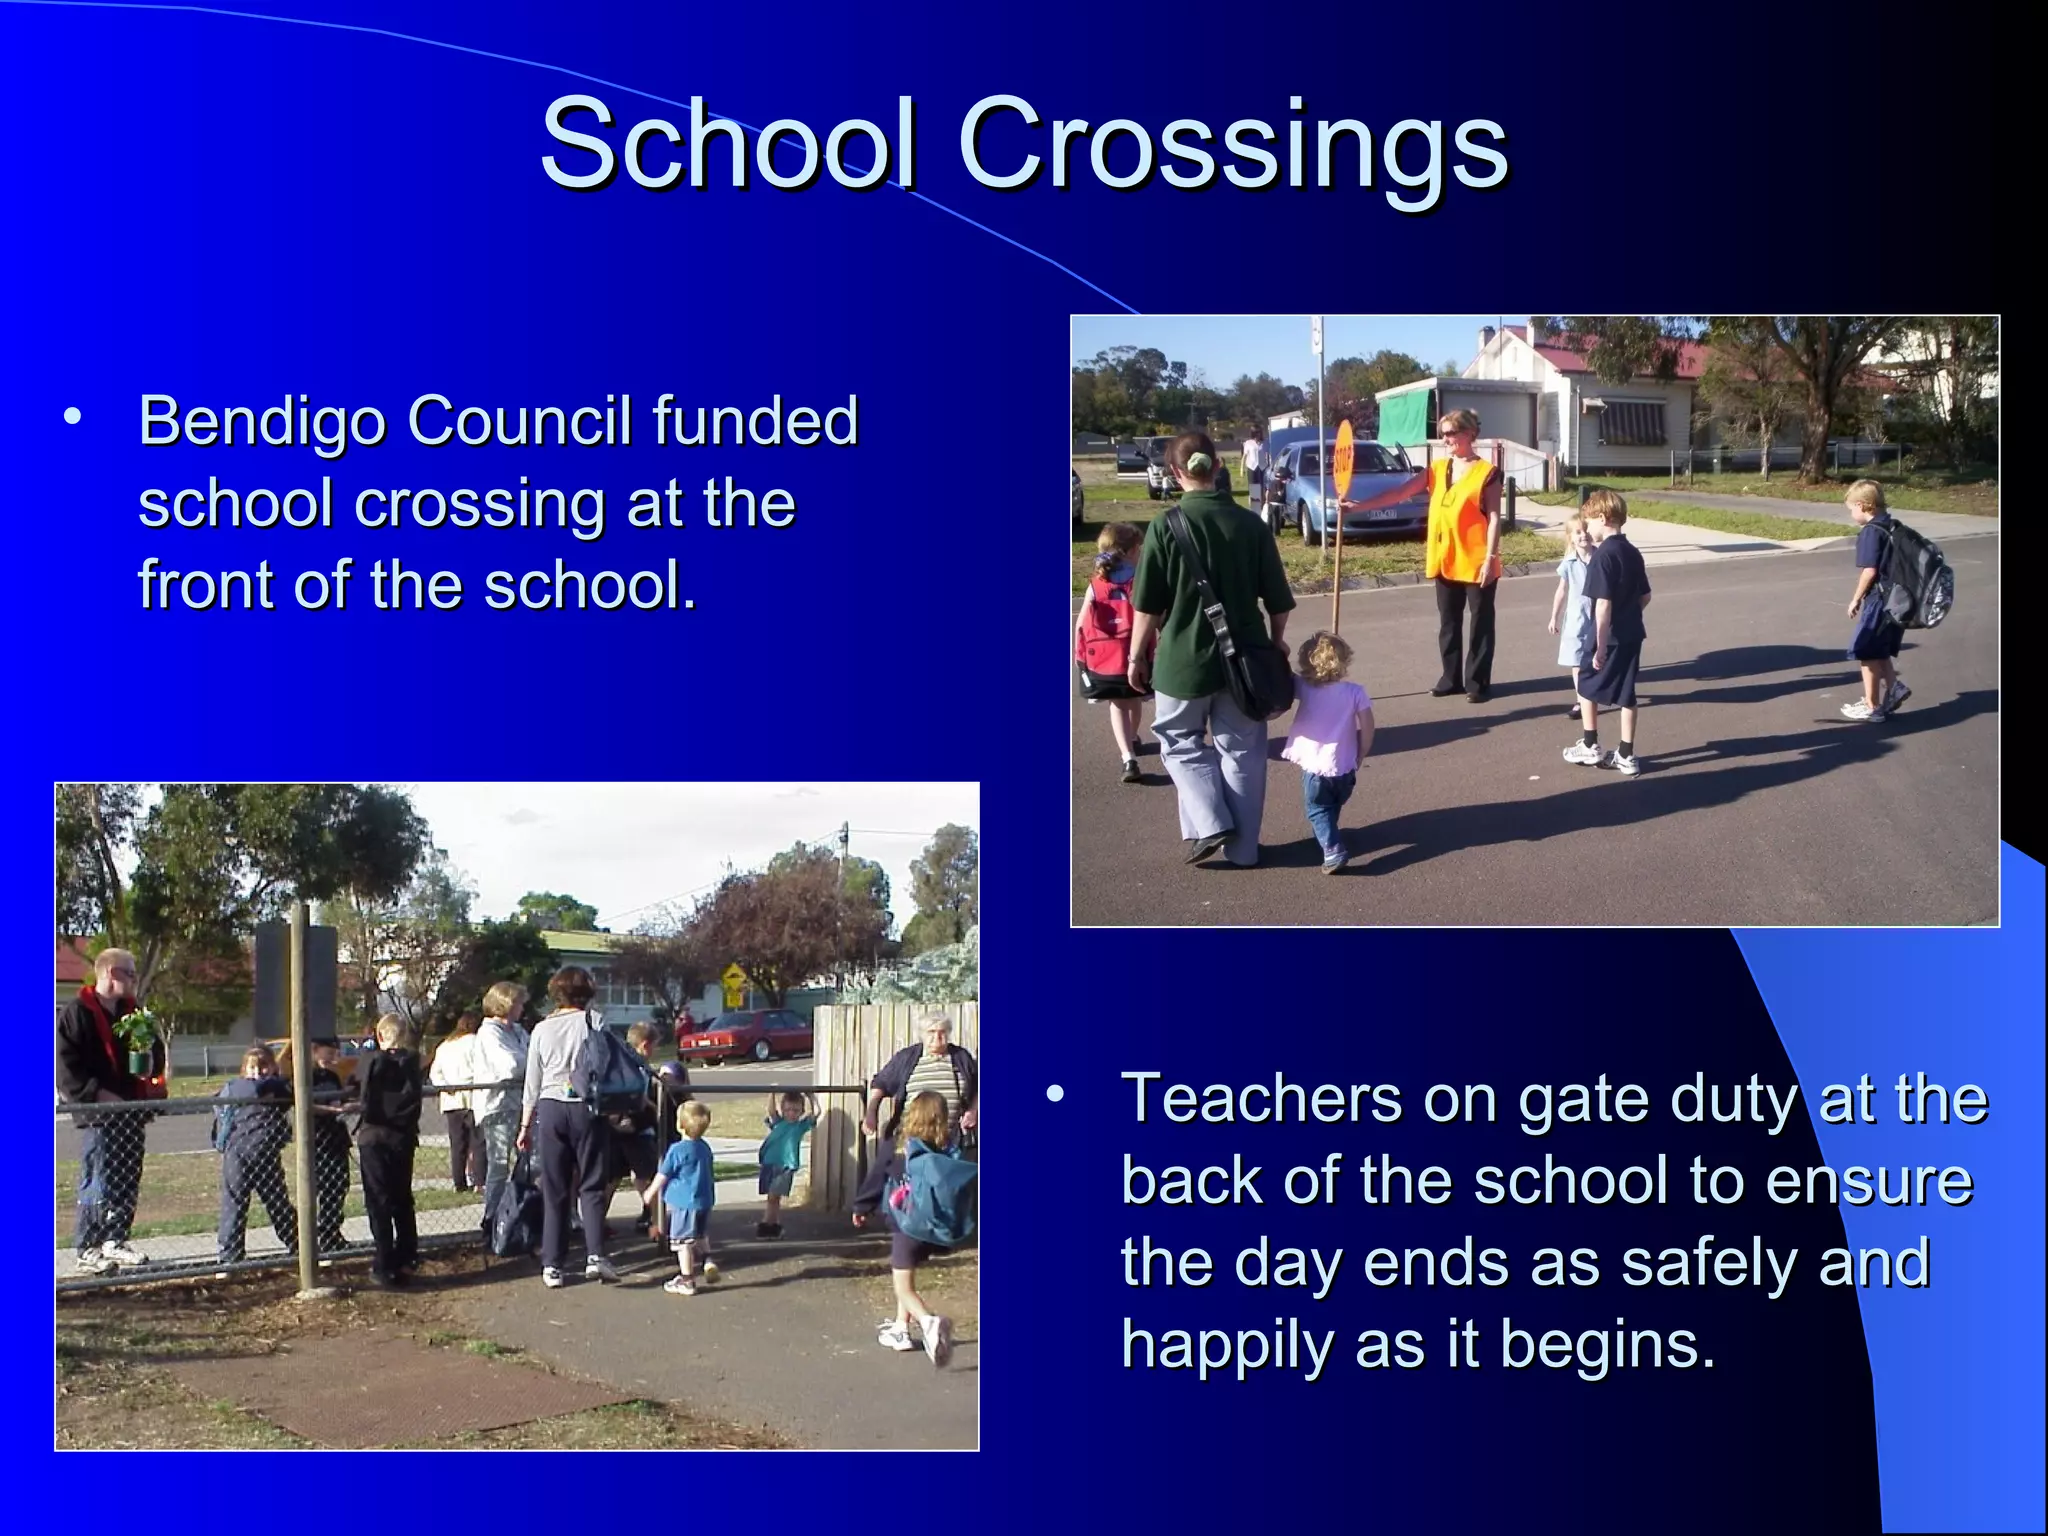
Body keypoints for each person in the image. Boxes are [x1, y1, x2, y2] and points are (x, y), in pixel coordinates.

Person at [1128, 430, 1296, 867]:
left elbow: (1146, 606)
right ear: (1218, 468)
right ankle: (1244, 850)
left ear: (1174, 473)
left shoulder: (1164, 526)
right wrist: (1275, 644)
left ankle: (1211, 821)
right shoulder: (1251, 524)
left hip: (1182, 662)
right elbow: (1278, 600)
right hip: (1246, 662)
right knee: (1243, 752)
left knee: (1179, 741)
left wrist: (1135, 655)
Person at [1344, 409, 1503, 701]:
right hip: (1444, 556)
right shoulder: (1437, 469)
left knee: (1481, 621)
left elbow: (1494, 518)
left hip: (1477, 558)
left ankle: (1478, 682)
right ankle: (1450, 678)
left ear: (1469, 434)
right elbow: (1400, 493)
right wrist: (1358, 507)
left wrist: (1490, 559)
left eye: (1452, 433)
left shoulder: (1488, 473)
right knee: (1448, 621)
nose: (1446, 439)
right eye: (1443, 434)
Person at [56, 947, 157, 1273]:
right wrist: (97, 1094)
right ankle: (88, 1248)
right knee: (98, 1180)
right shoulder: (78, 1013)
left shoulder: (134, 1013)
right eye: (130, 972)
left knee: (127, 1179)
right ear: (111, 973)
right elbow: (65, 1064)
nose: (134, 978)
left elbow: (153, 1049)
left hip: (131, 1112)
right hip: (99, 1117)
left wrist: (151, 1066)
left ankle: (116, 1240)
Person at [517, 966, 618, 1288]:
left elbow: (531, 1082)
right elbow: (608, 1064)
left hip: (550, 1108)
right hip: (587, 1107)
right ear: (587, 992)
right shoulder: (595, 1022)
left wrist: (525, 1124)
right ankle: (595, 1255)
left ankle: (553, 1264)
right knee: (591, 1183)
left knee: (555, 1188)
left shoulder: (542, 1029)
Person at [852, 1091, 961, 1367]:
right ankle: (901, 1329)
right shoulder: (948, 1147)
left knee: (902, 1288)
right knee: (908, 1276)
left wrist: (862, 1206)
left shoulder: (900, 1145)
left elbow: (878, 1176)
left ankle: (929, 1322)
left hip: (905, 1225)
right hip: (932, 1228)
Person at [1562, 490, 1652, 776]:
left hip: (1608, 635)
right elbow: (1646, 596)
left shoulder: (1603, 556)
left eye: (1589, 522)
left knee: (1586, 683)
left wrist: (1600, 646)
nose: (1587, 529)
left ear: (1602, 518)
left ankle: (1590, 745)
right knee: (1627, 693)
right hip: (1632, 633)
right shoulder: (1632, 551)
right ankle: (1627, 754)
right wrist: (1630, 615)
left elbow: (1602, 605)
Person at [1279, 631, 1377, 874]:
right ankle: (1327, 834)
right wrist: (1362, 751)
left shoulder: (1304, 687)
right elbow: (1368, 727)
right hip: (1345, 766)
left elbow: (1285, 678)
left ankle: (1332, 850)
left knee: (1318, 809)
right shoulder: (1355, 691)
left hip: (1316, 769)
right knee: (1331, 806)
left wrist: (1280, 652)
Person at [1075, 520, 1151, 784]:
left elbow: (1081, 624)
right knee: (1135, 700)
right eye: (1139, 548)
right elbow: (1151, 615)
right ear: (1130, 552)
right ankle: (1133, 736)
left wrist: (1079, 656)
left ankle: (1127, 756)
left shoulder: (1097, 584)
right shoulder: (1139, 580)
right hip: (1137, 652)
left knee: (1117, 705)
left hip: (1106, 658)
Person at [355, 1013, 425, 1288]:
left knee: (378, 1200)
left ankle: (383, 1262)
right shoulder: (411, 1063)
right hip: (403, 1137)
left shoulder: (371, 1062)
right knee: (402, 1198)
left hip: (374, 1136)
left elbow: (357, 1087)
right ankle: (407, 1256)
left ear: (380, 1035)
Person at [213, 1045, 298, 1265]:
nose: (257, 1073)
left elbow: (288, 1091)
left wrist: (277, 1084)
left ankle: (298, 1244)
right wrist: (271, 1084)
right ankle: (230, 1255)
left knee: (277, 1201)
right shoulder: (236, 1087)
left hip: (266, 1154)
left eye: (263, 1067)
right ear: (243, 1069)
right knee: (235, 1203)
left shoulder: (280, 1088)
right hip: (237, 1153)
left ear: (273, 1067)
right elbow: (254, 1090)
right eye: (252, 1068)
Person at [1841, 479, 1910, 722]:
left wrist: (1855, 599)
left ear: (1862, 505)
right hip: (1897, 599)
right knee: (1879, 648)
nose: (1851, 513)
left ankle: (1873, 707)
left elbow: (1869, 570)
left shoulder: (1871, 532)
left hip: (1878, 599)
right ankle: (1894, 687)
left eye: (1851, 508)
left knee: (1866, 651)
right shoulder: (1891, 524)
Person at [865, 1012, 978, 1151]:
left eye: (942, 1032)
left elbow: (978, 1085)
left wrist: (973, 1110)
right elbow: (880, 1084)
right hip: (912, 1141)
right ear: (922, 1034)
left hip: (952, 1141)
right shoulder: (907, 1057)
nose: (937, 1037)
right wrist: (871, 1113)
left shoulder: (961, 1057)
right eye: (931, 1032)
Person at [471, 981, 530, 1230]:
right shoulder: (490, 1032)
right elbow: (510, 1066)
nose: (521, 1008)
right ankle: (491, 1215)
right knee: (498, 1163)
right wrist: (531, 1065)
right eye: (517, 1002)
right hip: (498, 1104)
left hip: (521, 1103)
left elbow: (535, 1056)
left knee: (526, 1160)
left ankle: (520, 1210)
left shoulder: (517, 1031)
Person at [648, 1099, 718, 1296]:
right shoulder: (704, 1148)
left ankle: (687, 1280)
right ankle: (708, 1259)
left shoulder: (677, 1150)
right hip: (704, 1200)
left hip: (684, 1203)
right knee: (700, 1234)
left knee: (682, 1242)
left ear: (680, 1125)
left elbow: (663, 1174)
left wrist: (650, 1192)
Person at [613, 1022, 665, 1236]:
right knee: (650, 1176)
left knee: (612, 1178)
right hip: (636, 1127)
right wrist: (654, 1108)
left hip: (617, 1126)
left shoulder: (620, 1061)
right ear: (645, 1045)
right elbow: (637, 1096)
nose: (655, 1051)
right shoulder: (637, 1067)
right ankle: (657, 1222)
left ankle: (596, 1227)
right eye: (654, 1046)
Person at [308, 1038, 356, 1254]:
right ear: (315, 1051)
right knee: (321, 1187)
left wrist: (343, 1107)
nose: (333, 1058)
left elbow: (336, 1101)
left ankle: (331, 1232)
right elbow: (304, 1104)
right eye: (329, 1053)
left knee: (338, 1185)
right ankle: (315, 1237)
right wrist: (328, 1110)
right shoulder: (306, 1076)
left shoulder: (332, 1076)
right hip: (318, 1139)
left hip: (337, 1137)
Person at [429, 1011, 485, 1193]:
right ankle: (479, 1181)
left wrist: (446, 1086)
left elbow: (435, 1073)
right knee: (478, 1142)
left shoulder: (445, 1046)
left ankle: (459, 1182)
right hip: (473, 1097)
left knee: (457, 1144)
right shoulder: (477, 1042)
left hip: (451, 1099)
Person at [1548, 513, 1595, 716]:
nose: (1583, 535)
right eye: (1578, 532)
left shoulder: (1601, 557)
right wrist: (1554, 617)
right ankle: (1580, 700)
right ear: (1571, 537)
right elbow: (1561, 591)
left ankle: (1599, 692)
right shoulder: (1568, 562)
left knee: (1598, 659)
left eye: (1586, 530)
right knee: (1577, 662)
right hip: (1576, 619)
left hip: (1598, 617)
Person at [756, 1090, 819, 1238]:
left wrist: (811, 1097)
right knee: (773, 1198)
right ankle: (774, 1225)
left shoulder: (800, 1126)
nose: (791, 1113)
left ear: (801, 1111)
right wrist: (771, 1093)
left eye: (795, 1110)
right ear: (783, 1110)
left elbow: (817, 1112)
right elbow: (771, 1111)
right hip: (769, 1163)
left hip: (785, 1166)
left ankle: (766, 1224)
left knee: (773, 1196)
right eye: (787, 1110)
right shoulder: (778, 1123)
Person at [1243, 427, 1268, 514]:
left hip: (1262, 467)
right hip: (1252, 467)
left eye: (1259, 433)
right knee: (1254, 489)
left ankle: (1262, 507)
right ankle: (1254, 509)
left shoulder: (1264, 443)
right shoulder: (1248, 443)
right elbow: (1244, 456)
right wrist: (1242, 468)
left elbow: (1268, 454)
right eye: (1256, 433)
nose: (1258, 435)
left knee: (1262, 488)